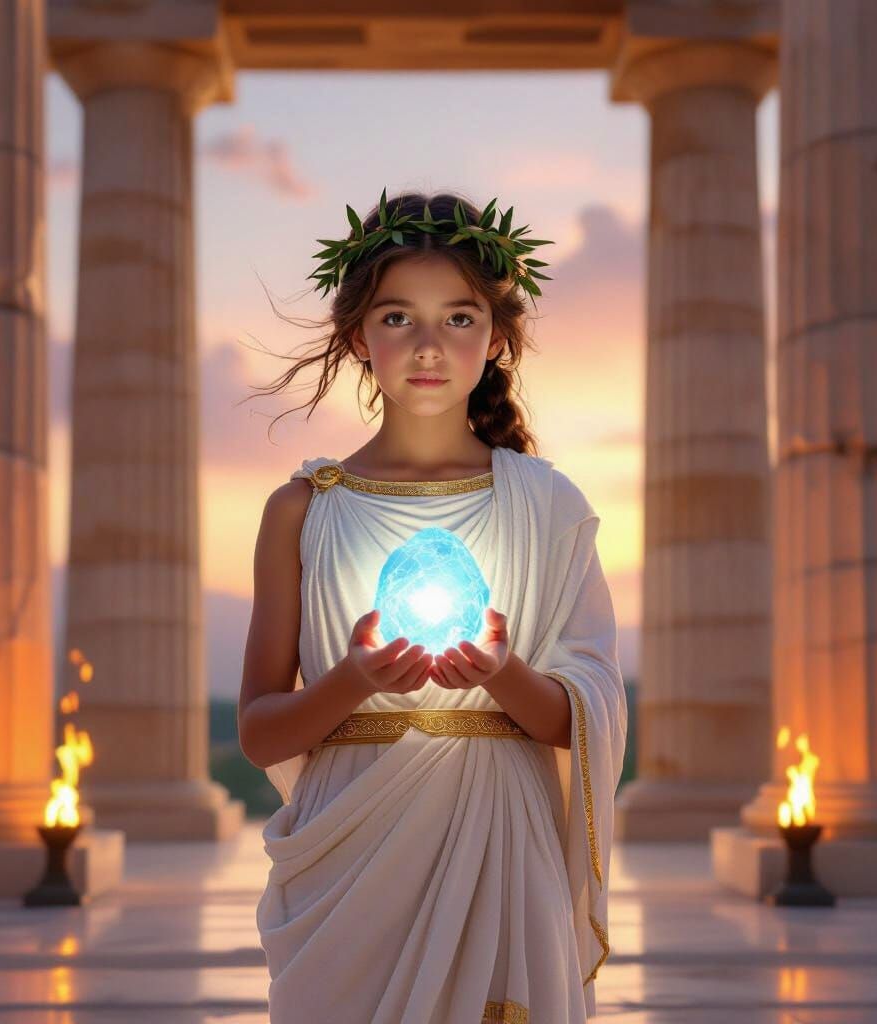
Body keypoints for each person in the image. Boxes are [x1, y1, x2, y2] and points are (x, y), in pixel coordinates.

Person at [238, 189, 628, 1024]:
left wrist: (500, 672)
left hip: (498, 842)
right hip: (348, 850)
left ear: (497, 338)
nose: (427, 346)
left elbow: (581, 712)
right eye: (396, 318)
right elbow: (260, 727)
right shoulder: (306, 507)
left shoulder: (545, 503)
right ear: (356, 335)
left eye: (458, 318)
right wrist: (352, 679)